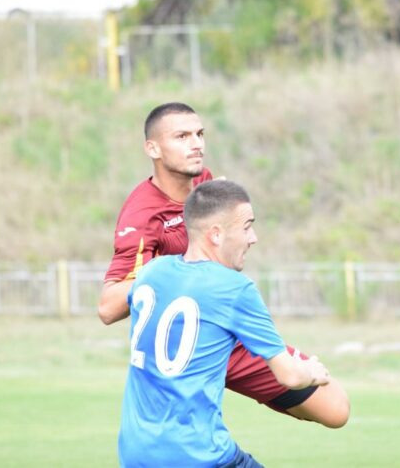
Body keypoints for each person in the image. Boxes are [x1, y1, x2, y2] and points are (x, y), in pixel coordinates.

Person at [100, 102, 349, 428]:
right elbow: (108, 308)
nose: (196, 144)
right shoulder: (142, 216)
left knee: (335, 408)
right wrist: (171, 270)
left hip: (225, 324)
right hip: (185, 337)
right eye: (182, 136)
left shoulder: (204, 184)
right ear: (153, 148)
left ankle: (274, 396)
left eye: (200, 134)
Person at [119, 180, 332, 467]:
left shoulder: (152, 272)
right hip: (197, 456)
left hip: (135, 454)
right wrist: (312, 372)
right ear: (216, 234)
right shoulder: (234, 288)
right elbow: (290, 377)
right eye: (246, 227)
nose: (253, 237)